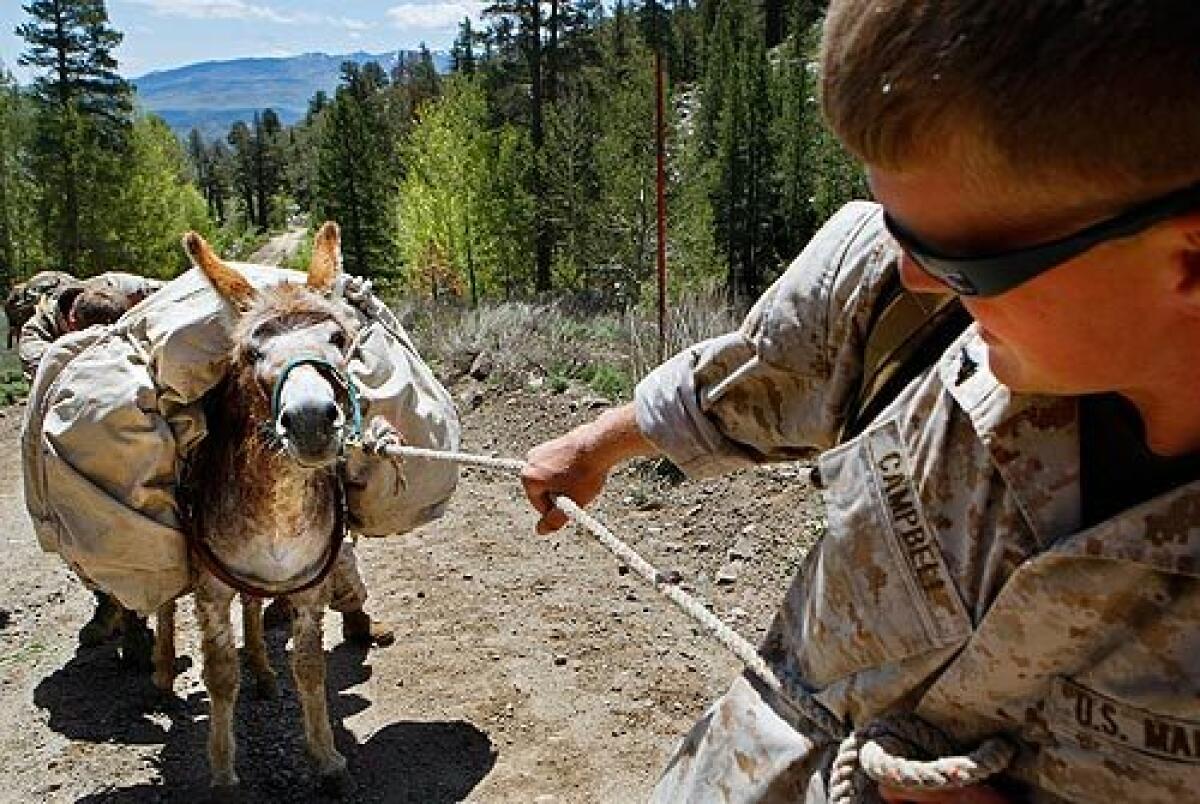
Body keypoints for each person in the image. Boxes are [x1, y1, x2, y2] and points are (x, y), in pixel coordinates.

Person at [521, 3, 1200, 802]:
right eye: (894, 224)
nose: (911, 275)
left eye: (957, 260)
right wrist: (594, 445)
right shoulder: (892, 285)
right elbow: (743, 384)